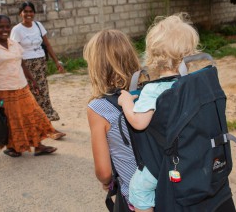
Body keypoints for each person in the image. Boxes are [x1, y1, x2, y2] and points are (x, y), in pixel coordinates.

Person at [118, 13, 200, 212]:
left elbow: (139, 123)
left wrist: (126, 102)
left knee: (138, 188)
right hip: (190, 155)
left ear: (153, 55)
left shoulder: (153, 90)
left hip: (162, 162)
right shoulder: (192, 85)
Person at [0, 14, 59, 158]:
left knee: (34, 115)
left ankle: (38, 146)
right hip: (5, 91)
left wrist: (32, 80)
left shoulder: (14, 44)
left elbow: (21, 63)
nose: (5, 29)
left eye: (7, 26)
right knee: (14, 121)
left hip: (22, 87)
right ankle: (14, 147)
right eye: (1, 27)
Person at [84, 29, 142, 211]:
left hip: (135, 198)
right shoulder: (149, 93)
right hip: (167, 189)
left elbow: (104, 172)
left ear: (95, 67)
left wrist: (107, 183)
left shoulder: (98, 108)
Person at [10, 1, 65, 140]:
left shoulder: (38, 25)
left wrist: (56, 62)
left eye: (31, 11)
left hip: (40, 64)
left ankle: (47, 127)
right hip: (26, 65)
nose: (28, 14)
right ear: (20, 13)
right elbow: (14, 51)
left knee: (43, 94)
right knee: (33, 95)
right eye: (25, 11)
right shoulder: (17, 30)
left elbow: (47, 44)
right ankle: (41, 128)